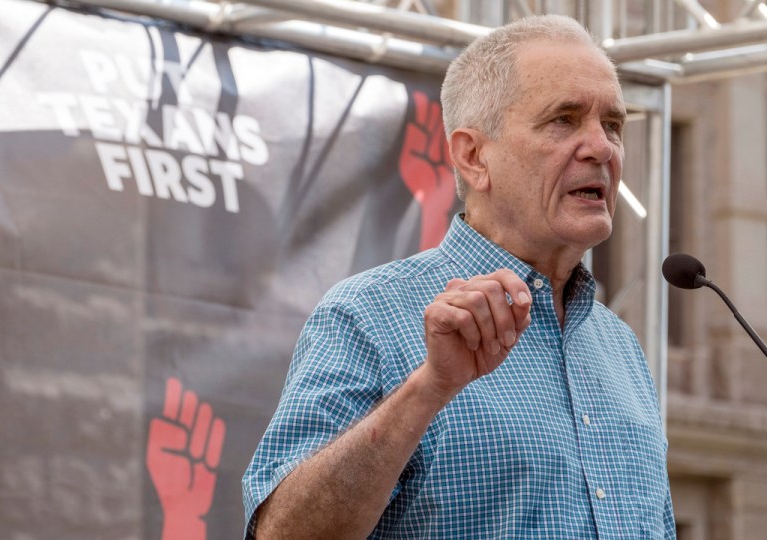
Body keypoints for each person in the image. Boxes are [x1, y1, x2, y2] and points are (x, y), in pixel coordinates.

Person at [242, 13, 676, 539]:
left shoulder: (621, 347)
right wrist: (429, 388)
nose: (602, 148)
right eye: (564, 120)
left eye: (612, 125)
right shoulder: (368, 314)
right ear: (473, 157)